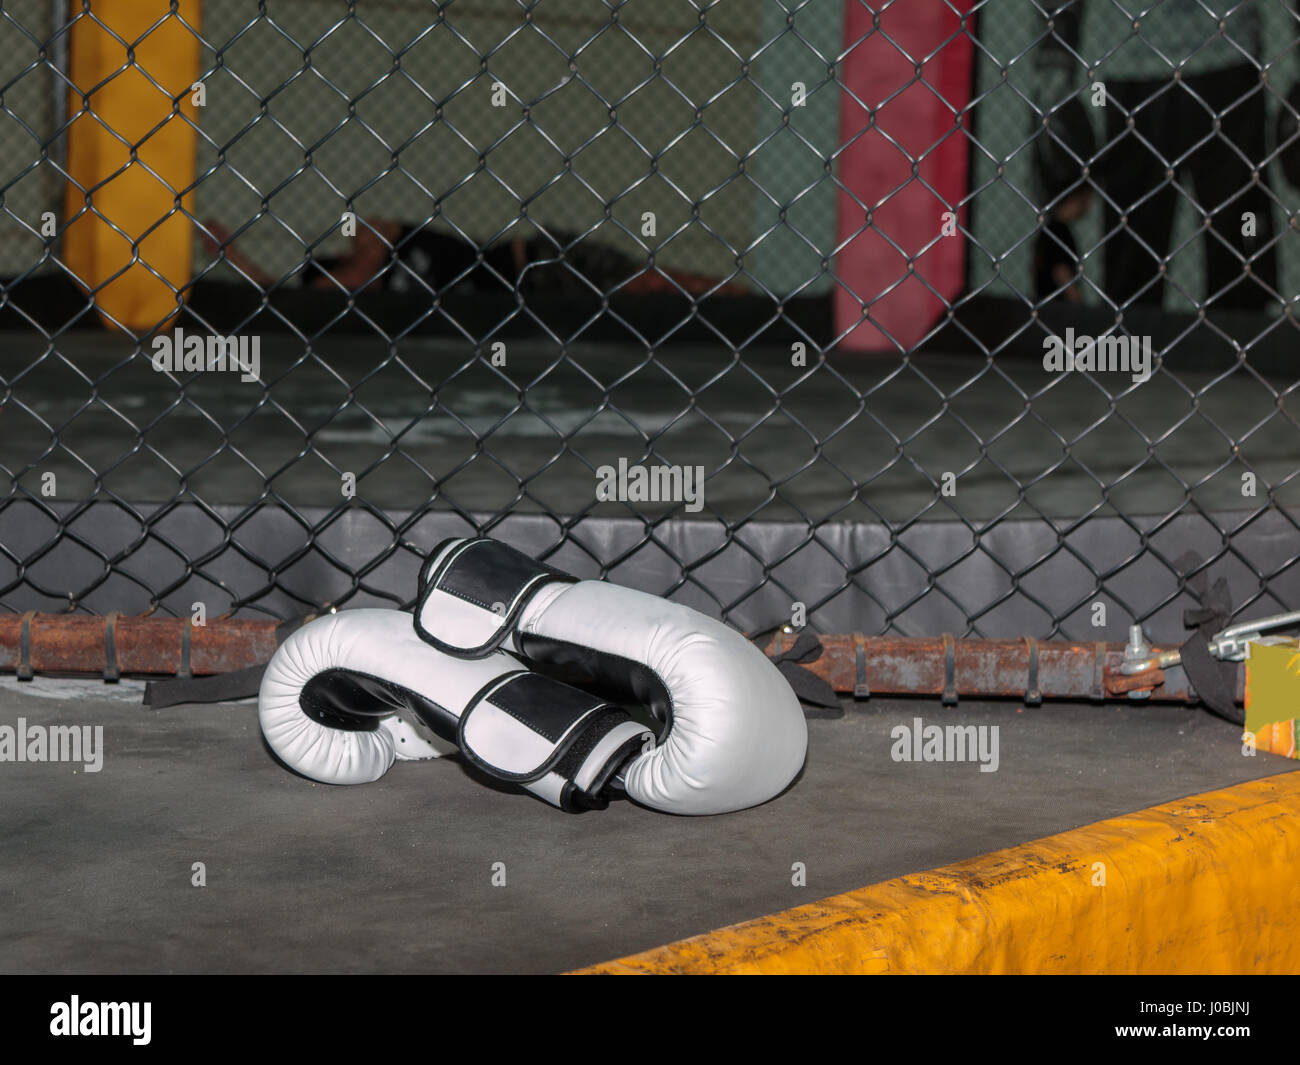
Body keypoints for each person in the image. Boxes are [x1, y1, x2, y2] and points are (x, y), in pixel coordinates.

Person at [1039, 1, 1278, 311]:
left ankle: (1237, 351)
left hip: (1229, 57)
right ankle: (1128, 352)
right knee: (1132, 269)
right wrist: (1054, 82)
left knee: (1241, 255)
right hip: (1136, 65)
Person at [200, 218, 745, 298]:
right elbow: (279, 296)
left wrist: (348, 279)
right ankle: (731, 296)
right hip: (522, 298)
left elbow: (366, 260)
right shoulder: (323, 284)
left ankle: (740, 294)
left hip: (528, 259)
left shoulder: (374, 234)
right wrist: (233, 257)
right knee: (640, 291)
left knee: (646, 280)